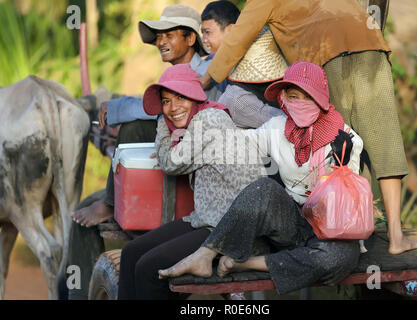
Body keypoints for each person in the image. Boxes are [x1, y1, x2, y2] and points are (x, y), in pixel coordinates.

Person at [199, 0, 417, 255]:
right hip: (369, 46)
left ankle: (347, 229)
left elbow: (237, 39)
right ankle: (395, 237)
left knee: (336, 148)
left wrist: (205, 80)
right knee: (382, 141)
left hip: (325, 56)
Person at [158, 61, 364, 295]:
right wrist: (188, 133)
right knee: (263, 188)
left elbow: (349, 202)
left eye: (308, 97)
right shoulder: (276, 128)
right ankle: (206, 254)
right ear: (284, 98)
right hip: (292, 221)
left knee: (339, 259)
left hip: (332, 226)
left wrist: (339, 164)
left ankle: (247, 262)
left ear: (321, 99)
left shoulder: (346, 138)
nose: (299, 104)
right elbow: (234, 144)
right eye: (293, 96)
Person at [67, 4, 225, 300]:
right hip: (178, 151)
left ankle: (110, 204)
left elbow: (157, 110)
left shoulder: (205, 71)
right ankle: (76, 291)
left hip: (193, 162)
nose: (160, 42)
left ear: (191, 39)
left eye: (168, 35)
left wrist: (115, 109)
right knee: (82, 217)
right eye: (158, 37)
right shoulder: (178, 75)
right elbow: (151, 105)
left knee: (133, 129)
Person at [117, 64, 264, 299]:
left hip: (232, 227)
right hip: (207, 219)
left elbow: (171, 163)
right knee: (131, 252)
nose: (172, 108)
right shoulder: (200, 120)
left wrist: (162, 127)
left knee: (149, 267)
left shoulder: (209, 119)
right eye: (165, 101)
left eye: (180, 97)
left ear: (195, 96)